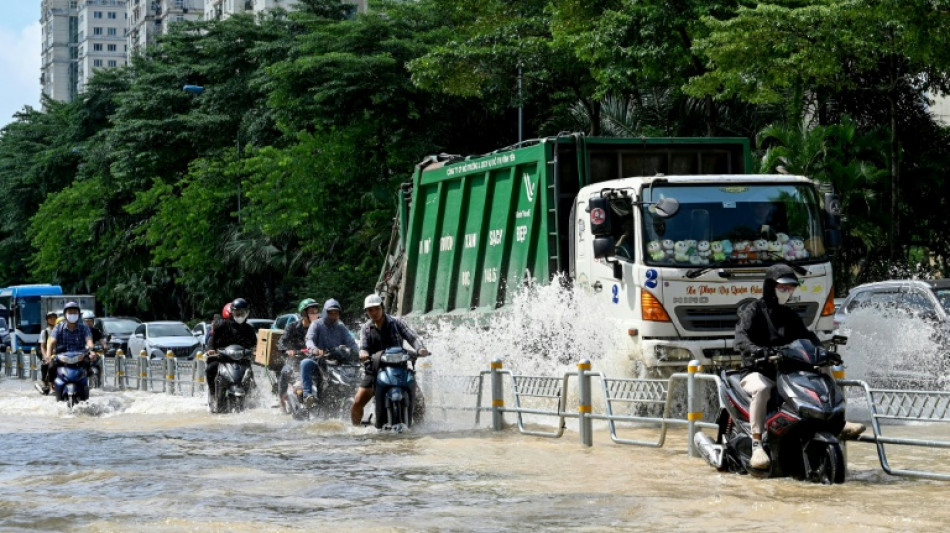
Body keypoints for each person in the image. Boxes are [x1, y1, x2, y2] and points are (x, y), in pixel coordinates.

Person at [734, 264, 864, 470]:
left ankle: (838, 423)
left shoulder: (789, 315)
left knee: (823, 369)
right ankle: (757, 444)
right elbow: (741, 338)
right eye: (783, 288)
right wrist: (757, 351)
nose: (787, 292)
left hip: (787, 371)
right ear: (770, 287)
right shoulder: (753, 311)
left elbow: (807, 337)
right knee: (762, 389)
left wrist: (823, 352)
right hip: (758, 370)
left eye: (790, 288)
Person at [351, 293, 428, 426]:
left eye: (377, 308)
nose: (374, 312)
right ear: (366, 312)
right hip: (375, 369)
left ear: (382, 308)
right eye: (370, 310)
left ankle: (419, 428)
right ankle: (355, 429)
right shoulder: (366, 328)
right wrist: (363, 353)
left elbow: (413, 337)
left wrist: (420, 348)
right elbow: (363, 347)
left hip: (400, 368)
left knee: (419, 401)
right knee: (357, 402)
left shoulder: (397, 322)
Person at [305, 298, 359, 408]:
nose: (333, 315)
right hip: (319, 359)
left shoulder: (341, 327)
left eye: (336, 313)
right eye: (331, 313)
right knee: (305, 363)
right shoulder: (316, 324)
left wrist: (358, 353)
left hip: (337, 361)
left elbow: (351, 343)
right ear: (325, 312)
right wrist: (314, 349)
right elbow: (309, 339)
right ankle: (308, 396)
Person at [205, 298, 257, 410]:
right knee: (210, 368)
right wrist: (211, 350)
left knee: (250, 377)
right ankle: (213, 394)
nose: (240, 315)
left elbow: (254, 345)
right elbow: (212, 340)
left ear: (247, 313)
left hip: (242, 360)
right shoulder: (222, 326)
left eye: (243, 313)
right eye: (237, 312)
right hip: (222, 359)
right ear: (232, 312)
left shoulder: (249, 329)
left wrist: (255, 351)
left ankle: (252, 399)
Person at [277, 298, 320, 409]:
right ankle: (281, 401)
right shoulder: (292, 327)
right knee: (285, 371)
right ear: (304, 313)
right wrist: (287, 351)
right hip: (295, 360)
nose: (315, 314)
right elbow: (282, 342)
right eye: (312, 312)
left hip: (316, 360)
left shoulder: (320, 326)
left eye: (316, 311)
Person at [45, 302, 96, 392]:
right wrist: (48, 356)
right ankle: (51, 386)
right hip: (62, 356)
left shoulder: (84, 328)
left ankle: (89, 384)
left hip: (80, 356)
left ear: (78, 314)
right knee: (51, 366)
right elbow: (51, 343)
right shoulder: (58, 327)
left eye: (75, 312)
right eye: (70, 312)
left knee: (89, 365)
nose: (72, 314)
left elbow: (89, 341)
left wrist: (91, 351)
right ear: (65, 314)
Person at [34, 311, 59, 395]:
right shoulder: (45, 332)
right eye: (50, 318)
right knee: (47, 365)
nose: (52, 319)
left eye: (54, 318)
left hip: (59, 354)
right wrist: (45, 356)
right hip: (48, 353)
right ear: (47, 320)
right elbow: (42, 346)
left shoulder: (60, 330)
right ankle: (46, 383)